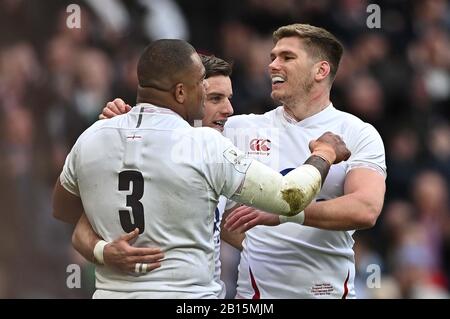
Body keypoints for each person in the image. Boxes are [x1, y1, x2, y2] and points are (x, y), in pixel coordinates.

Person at [52, 38, 351, 298]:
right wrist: (323, 153)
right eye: (204, 89)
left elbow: (66, 211)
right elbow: (291, 196)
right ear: (181, 92)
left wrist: (102, 250)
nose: (224, 106)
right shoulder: (205, 146)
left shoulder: (93, 136)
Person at [220, 23, 387, 299]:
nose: (273, 65)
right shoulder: (240, 129)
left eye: (287, 57)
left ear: (321, 70)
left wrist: (284, 214)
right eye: (272, 57)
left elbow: (366, 209)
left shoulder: (357, 133)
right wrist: (127, 119)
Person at [71, 54, 235, 299]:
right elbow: (79, 229)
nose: (228, 110)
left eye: (228, 99)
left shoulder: (229, 143)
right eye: (214, 98)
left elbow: (245, 227)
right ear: (187, 96)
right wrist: (103, 251)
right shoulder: (141, 150)